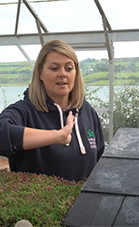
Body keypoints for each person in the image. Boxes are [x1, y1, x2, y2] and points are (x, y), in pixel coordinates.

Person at [0, 39, 105, 182]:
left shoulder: (87, 111)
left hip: (86, 203)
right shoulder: (25, 111)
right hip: (40, 203)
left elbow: (99, 157)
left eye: (69, 68)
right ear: (40, 73)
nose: (63, 74)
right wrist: (57, 136)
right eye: (54, 68)